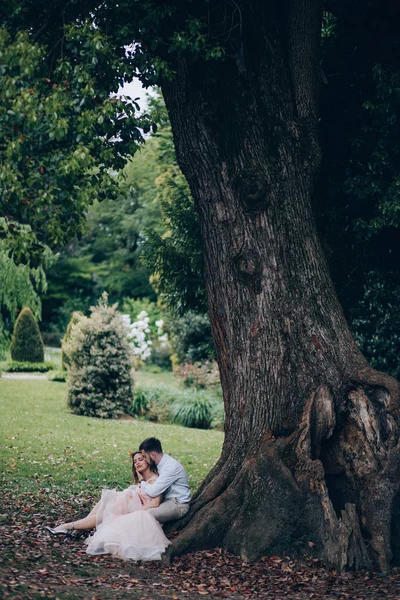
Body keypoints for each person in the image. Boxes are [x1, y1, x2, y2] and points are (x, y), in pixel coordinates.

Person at [45, 452, 171, 561]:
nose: (137, 463)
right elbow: (140, 487)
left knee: (108, 507)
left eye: (141, 459)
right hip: (133, 508)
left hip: (140, 513)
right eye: (135, 461)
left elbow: (155, 503)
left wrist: (134, 513)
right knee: (106, 502)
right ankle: (75, 529)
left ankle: (70, 527)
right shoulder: (143, 479)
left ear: (148, 460)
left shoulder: (155, 480)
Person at [138, 437, 191, 523]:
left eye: (144, 457)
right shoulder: (160, 463)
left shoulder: (170, 467)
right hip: (167, 500)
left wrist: (142, 482)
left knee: (146, 515)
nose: (144, 460)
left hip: (178, 504)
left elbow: (153, 492)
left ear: (153, 455)